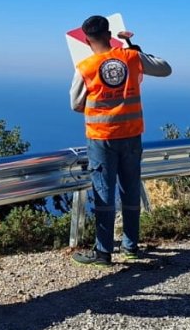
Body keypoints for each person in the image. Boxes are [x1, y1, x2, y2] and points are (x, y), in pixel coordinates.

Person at [69, 15, 172, 266]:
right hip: (132, 134)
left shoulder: (86, 67)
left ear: (86, 39)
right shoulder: (132, 58)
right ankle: (130, 247)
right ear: (110, 34)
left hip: (102, 139)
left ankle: (103, 252)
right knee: (130, 190)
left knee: (104, 194)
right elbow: (165, 68)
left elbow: (75, 104)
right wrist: (132, 47)